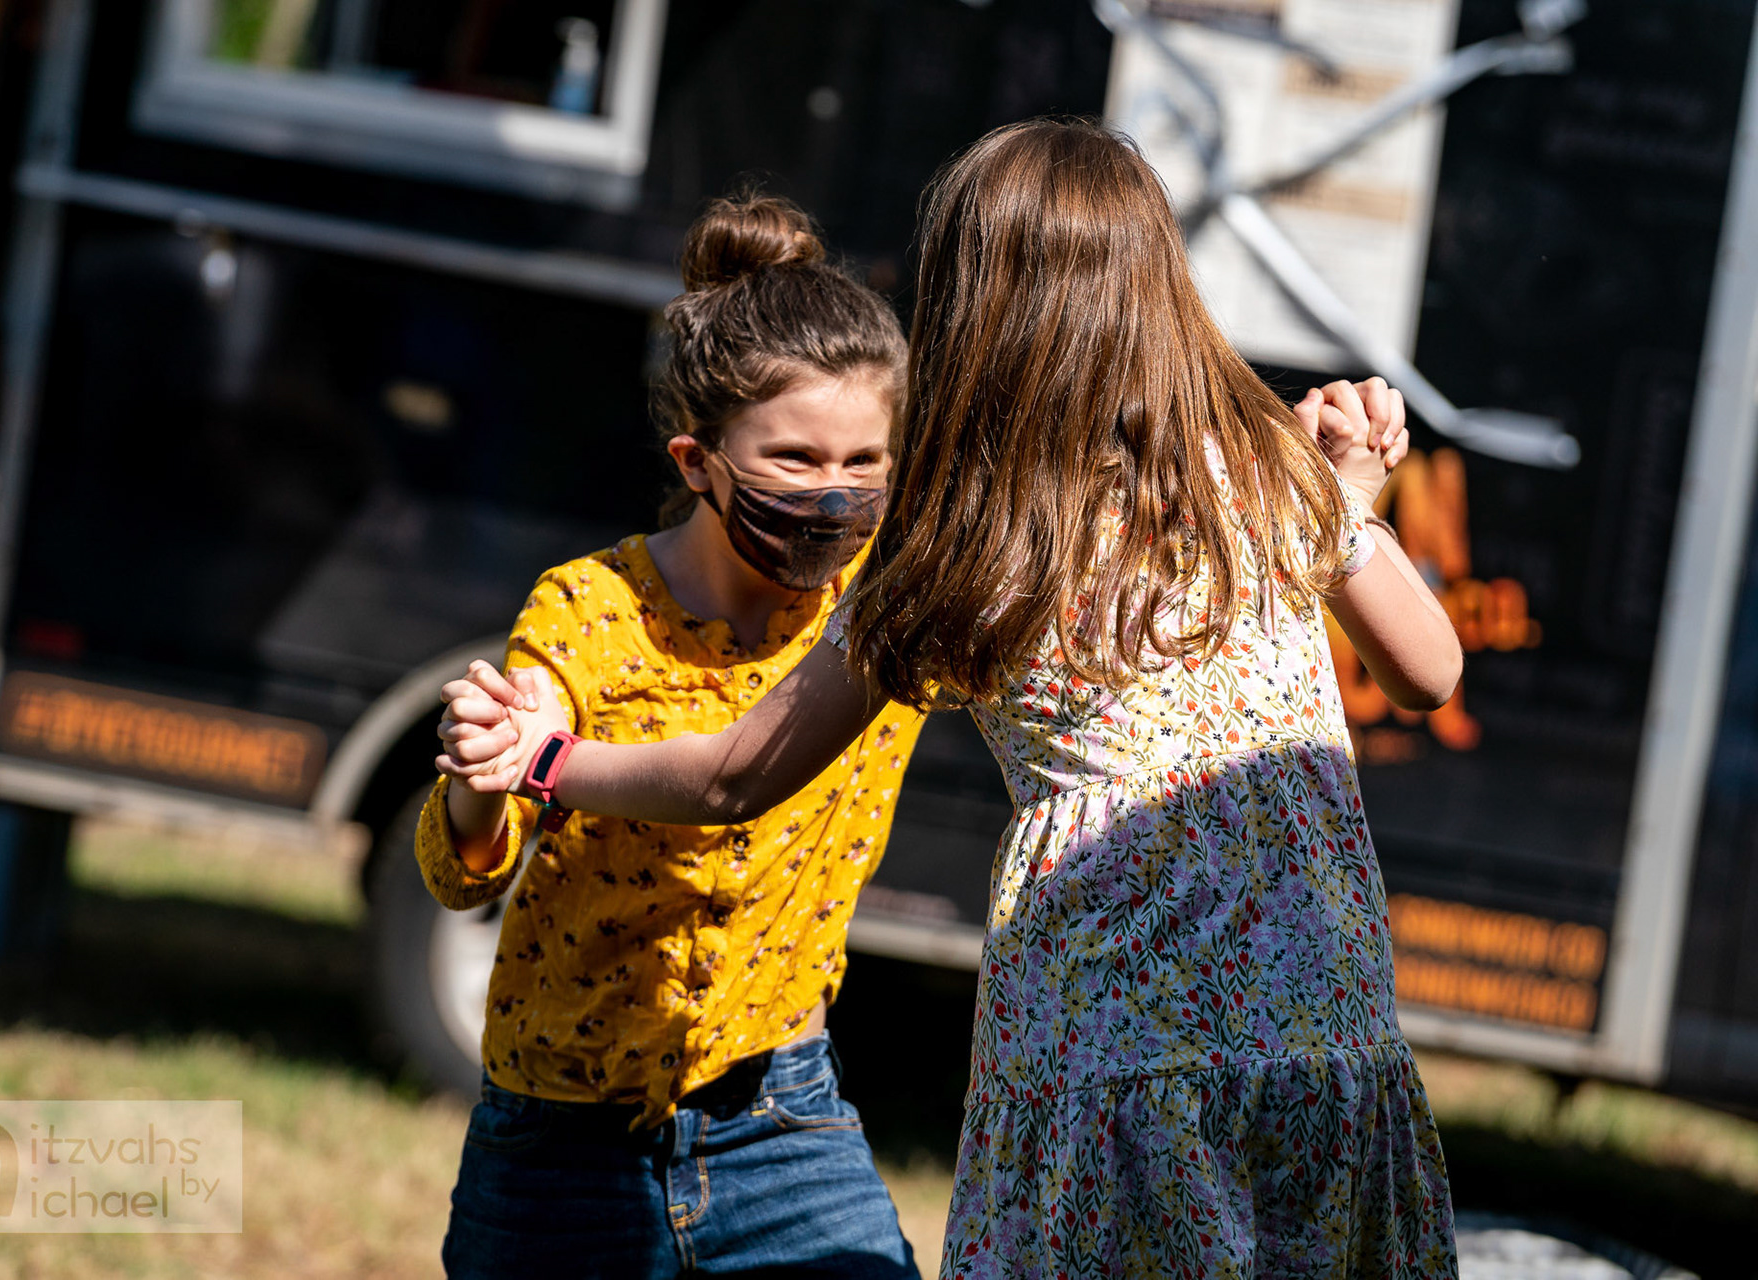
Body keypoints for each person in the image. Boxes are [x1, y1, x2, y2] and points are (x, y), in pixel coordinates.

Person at [460, 120, 1462, 1277]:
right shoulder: (1271, 473)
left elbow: (736, 773)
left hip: (1109, 1058)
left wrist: (548, 760)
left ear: (969, 309)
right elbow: (1428, 670)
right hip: (1321, 1037)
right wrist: (1347, 498)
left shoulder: (967, 548)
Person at [419, 192, 927, 1279]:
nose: (834, 495)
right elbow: (464, 872)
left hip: (782, 1121)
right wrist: (482, 772)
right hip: (559, 1143)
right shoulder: (589, 608)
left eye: (864, 461)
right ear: (698, 461)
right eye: (794, 458)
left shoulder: (885, 614)